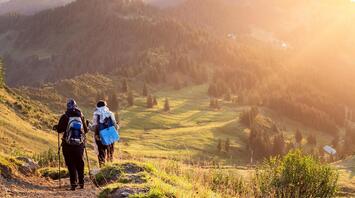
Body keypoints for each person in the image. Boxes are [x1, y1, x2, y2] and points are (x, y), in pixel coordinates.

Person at [56, 99, 88, 191]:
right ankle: (81, 183)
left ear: (67, 106)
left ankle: (73, 184)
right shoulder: (81, 116)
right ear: (76, 106)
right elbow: (85, 130)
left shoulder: (65, 116)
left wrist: (56, 127)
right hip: (79, 144)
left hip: (67, 144)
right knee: (80, 163)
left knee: (71, 163)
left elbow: (59, 130)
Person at [92, 100, 118, 167]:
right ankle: (110, 166)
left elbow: (94, 127)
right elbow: (115, 126)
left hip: (100, 136)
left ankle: (102, 167)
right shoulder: (110, 113)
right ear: (105, 106)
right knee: (110, 152)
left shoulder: (96, 114)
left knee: (101, 152)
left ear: (97, 106)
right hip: (110, 135)